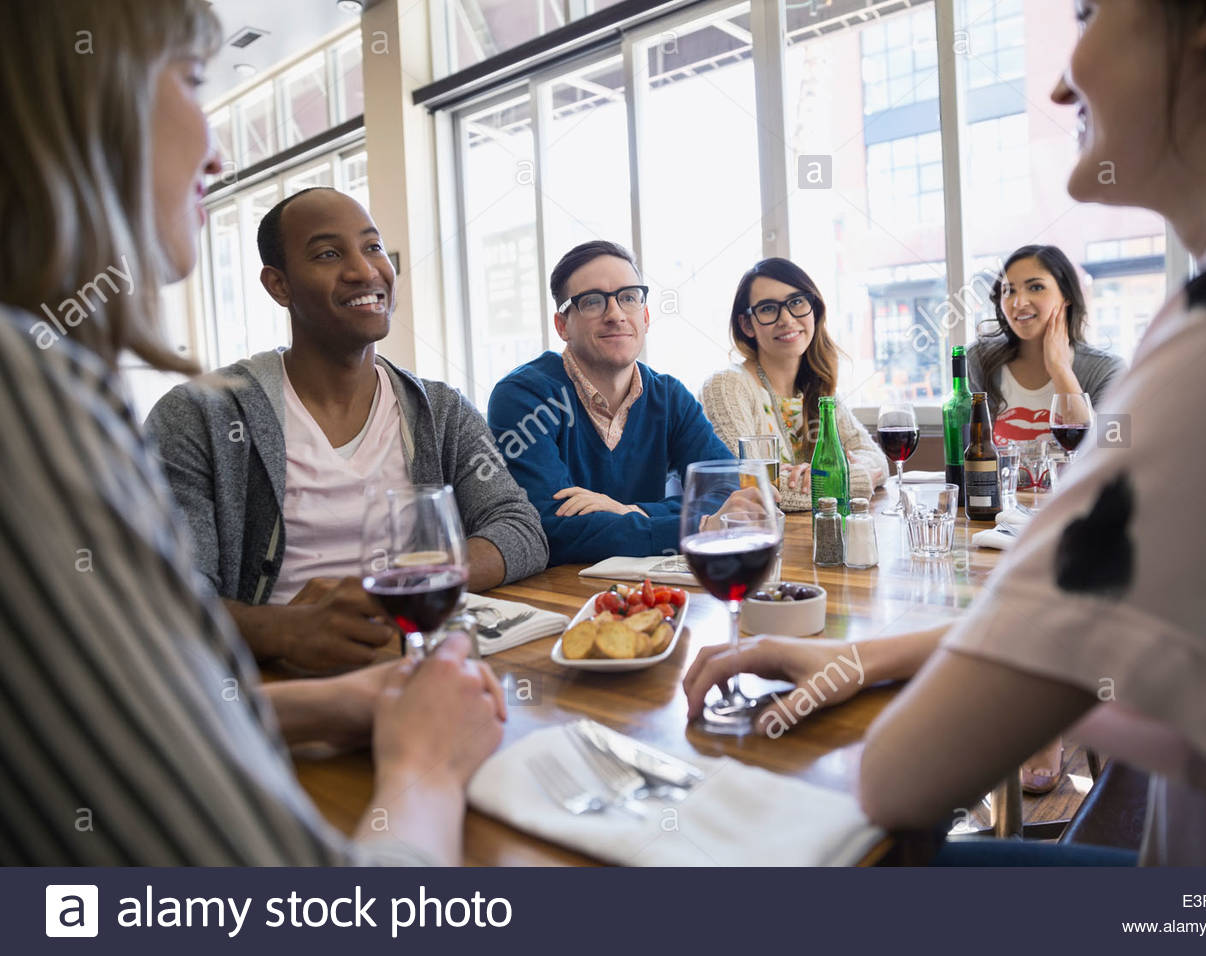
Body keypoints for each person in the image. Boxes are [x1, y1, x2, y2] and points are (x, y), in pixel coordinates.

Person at [684, 0, 1206, 865]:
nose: (1059, 79)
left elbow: (900, 778)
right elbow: (1085, 637)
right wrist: (860, 661)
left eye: (1086, 16)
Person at [0, 0, 503, 865]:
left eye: (375, 246)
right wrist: (425, 764)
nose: (217, 149)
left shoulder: (436, 402)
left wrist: (325, 707)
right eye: (192, 80)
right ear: (85, 97)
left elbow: (127, 705)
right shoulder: (34, 391)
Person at [146, 187, 548, 673]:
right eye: (329, 254)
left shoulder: (440, 410)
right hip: (275, 687)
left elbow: (521, 530)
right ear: (279, 286)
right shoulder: (199, 416)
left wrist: (398, 586)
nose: (364, 270)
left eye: (373, 247)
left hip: (416, 664)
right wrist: (282, 629)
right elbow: (170, 600)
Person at [487, 240, 735, 565]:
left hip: (656, 589)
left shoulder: (670, 396)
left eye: (629, 298)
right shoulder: (523, 397)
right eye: (592, 302)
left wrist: (630, 510)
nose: (616, 315)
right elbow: (550, 529)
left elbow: (730, 491)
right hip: (561, 598)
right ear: (563, 325)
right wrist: (698, 527)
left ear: (645, 317)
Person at [699, 258, 888, 512]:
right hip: (760, 544)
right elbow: (751, 487)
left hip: (816, 538)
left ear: (814, 308)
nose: (786, 319)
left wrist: (834, 476)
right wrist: (844, 478)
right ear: (747, 325)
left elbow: (876, 460)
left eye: (797, 302)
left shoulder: (816, 389)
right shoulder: (726, 387)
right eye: (767, 308)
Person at [969, 244, 1125, 445]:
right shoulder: (977, 361)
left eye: (1035, 287)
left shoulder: (1108, 369)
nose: (1019, 302)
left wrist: (1060, 370)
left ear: (1066, 296)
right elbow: (970, 456)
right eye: (1009, 290)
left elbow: (1112, 450)